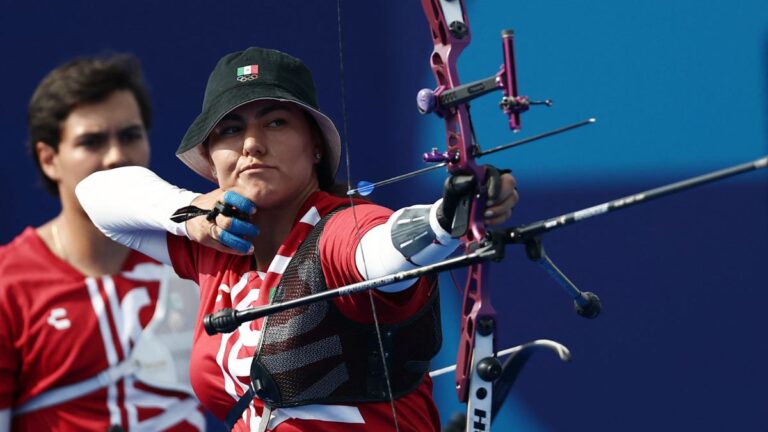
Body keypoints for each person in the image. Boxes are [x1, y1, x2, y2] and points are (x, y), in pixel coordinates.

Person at [76, 47, 519, 431]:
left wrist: (447, 218)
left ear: (316, 146)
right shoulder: (215, 249)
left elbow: (380, 252)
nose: (251, 144)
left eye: (275, 122)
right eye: (230, 130)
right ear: (211, 159)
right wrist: (192, 217)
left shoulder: (341, 229)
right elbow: (97, 195)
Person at [0, 55, 206, 431]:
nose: (116, 157)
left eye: (130, 136)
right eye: (92, 142)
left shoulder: (197, 263)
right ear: (49, 159)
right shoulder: (6, 285)